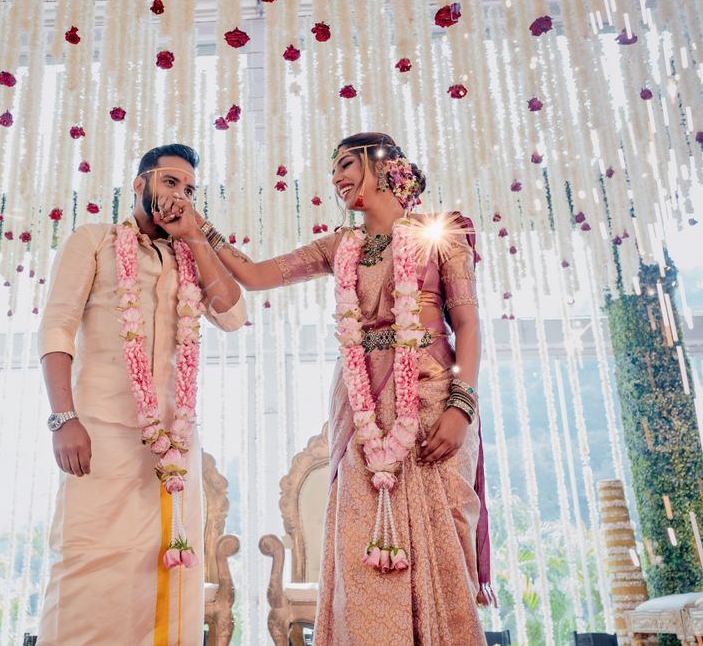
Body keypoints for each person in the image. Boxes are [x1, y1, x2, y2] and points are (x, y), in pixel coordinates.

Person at [195, 132, 492, 644]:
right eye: (333, 168)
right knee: (358, 544)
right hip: (359, 408)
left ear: (385, 167)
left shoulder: (440, 235)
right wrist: (197, 227)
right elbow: (255, 275)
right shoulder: (340, 246)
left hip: (431, 397)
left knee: (441, 542)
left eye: (347, 164)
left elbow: (466, 324)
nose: (336, 177)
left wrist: (461, 407)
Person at [35, 143, 246, 645]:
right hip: (100, 434)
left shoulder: (190, 257)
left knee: (169, 572)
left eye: (190, 189)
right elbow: (57, 329)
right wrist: (63, 418)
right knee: (88, 568)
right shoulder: (93, 240)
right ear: (139, 183)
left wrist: (194, 237)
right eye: (170, 182)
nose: (180, 195)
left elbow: (234, 316)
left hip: (172, 448)